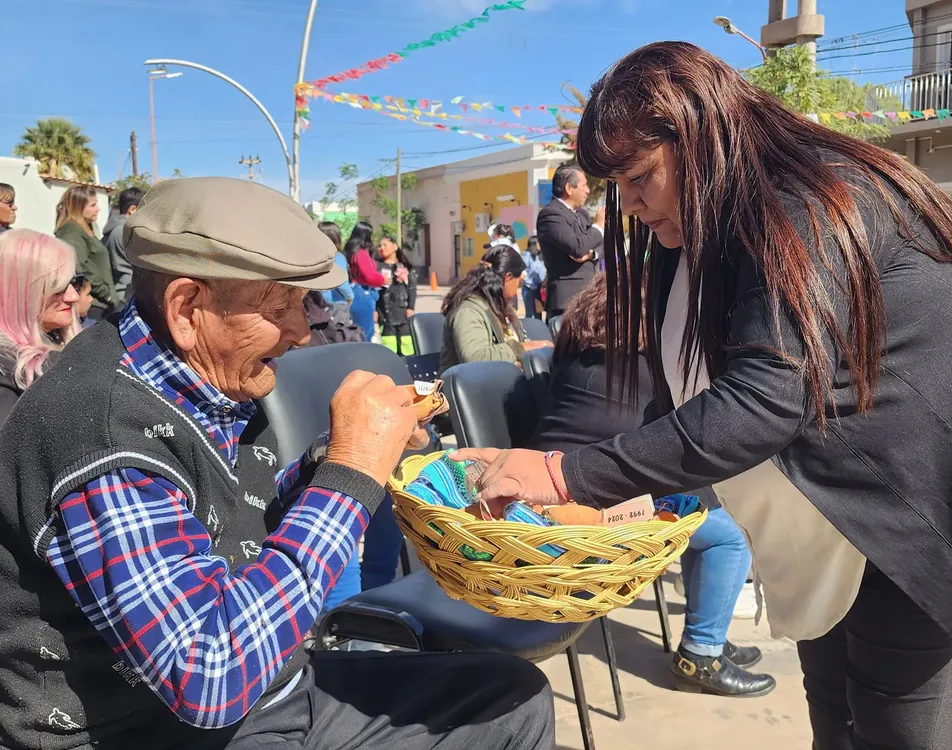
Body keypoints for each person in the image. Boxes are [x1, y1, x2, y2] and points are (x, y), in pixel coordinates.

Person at [456, 41, 952, 750]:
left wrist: (563, 472)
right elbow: (689, 398)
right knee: (834, 722)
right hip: (828, 528)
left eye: (641, 174)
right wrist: (604, 494)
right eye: (615, 183)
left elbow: (764, 400)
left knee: (900, 732)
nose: (630, 201)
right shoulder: (690, 235)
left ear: (701, 135)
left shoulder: (811, 199)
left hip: (922, 524)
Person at [0, 177, 554, 750]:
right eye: (280, 306)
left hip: (270, 692)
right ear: (187, 306)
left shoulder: (203, 373)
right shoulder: (102, 436)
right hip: (155, 728)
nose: (299, 332)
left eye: (303, 304)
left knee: (512, 698)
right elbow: (207, 674)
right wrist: (350, 477)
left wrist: (333, 459)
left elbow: (239, 519)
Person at [528, 273, 774, 696]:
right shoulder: (650, 366)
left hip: (550, 485)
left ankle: (709, 626)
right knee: (727, 536)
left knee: (704, 510)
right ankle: (701, 653)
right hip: (592, 503)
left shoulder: (574, 352)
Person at [0, 229, 80, 425]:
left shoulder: (68, 344)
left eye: (75, 282)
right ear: (20, 294)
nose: (73, 297)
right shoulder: (7, 375)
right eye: (57, 287)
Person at [440, 244, 551, 372]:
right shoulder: (468, 311)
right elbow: (474, 358)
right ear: (508, 277)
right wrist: (521, 348)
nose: (517, 288)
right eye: (518, 281)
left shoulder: (500, 306)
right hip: (471, 387)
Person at [536, 164, 605, 317]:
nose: (587, 190)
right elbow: (577, 247)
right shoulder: (550, 215)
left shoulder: (582, 214)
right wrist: (599, 225)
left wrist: (592, 254)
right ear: (569, 188)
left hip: (589, 297)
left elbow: (599, 244)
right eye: (584, 185)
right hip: (566, 301)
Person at [55, 185, 116, 319]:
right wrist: (106, 293)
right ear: (78, 207)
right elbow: (79, 267)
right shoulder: (71, 231)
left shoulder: (84, 229)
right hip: (93, 305)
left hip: (98, 303)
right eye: (93, 205)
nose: (97, 209)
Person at [101, 187, 146, 303]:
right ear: (132, 209)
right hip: (127, 293)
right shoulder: (124, 231)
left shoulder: (114, 228)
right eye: (144, 210)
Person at [342, 221, 385, 341]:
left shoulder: (351, 252)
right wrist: (383, 279)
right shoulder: (361, 253)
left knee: (358, 330)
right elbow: (370, 276)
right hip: (362, 293)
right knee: (365, 332)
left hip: (355, 290)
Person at [376, 235, 417, 356]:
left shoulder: (405, 267)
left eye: (385, 245)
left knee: (406, 341)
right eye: (380, 245)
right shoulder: (377, 267)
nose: (382, 248)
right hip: (385, 312)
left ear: (395, 246)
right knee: (389, 342)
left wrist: (411, 307)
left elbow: (412, 288)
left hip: (402, 311)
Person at [317, 222, 354, 309]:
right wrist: (350, 297)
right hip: (336, 304)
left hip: (316, 303)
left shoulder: (314, 257)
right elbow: (342, 282)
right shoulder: (337, 257)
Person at [521, 236, 546, 319]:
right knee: (530, 314)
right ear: (534, 244)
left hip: (539, 288)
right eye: (539, 243)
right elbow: (522, 272)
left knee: (538, 313)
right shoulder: (526, 255)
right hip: (529, 289)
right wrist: (531, 284)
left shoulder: (541, 255)